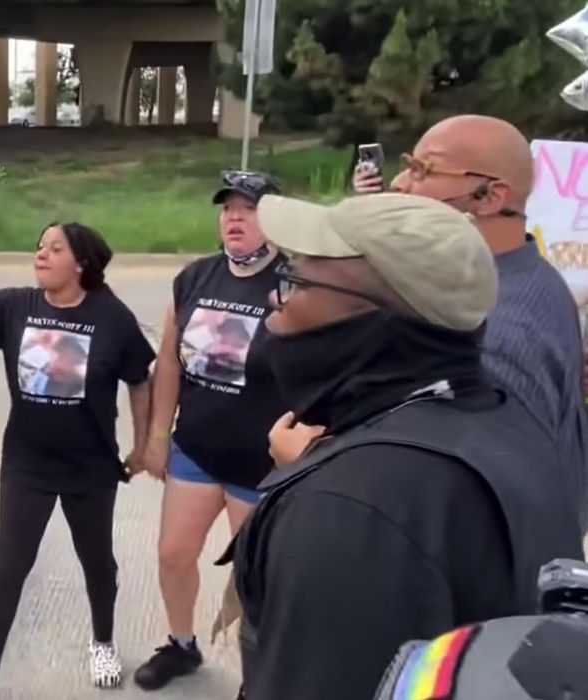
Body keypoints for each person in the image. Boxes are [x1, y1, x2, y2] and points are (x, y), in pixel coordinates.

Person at [227, 192, 584, 700]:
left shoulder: (350, 508)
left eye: (296, 281)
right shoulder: (506, 417)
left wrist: (331, 484)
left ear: (375, 315)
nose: (273, 300)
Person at [0, 222, 156, 699]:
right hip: (27, 464)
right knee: (10, 566)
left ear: (81, 264)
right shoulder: (17, 305)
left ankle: (102, 642)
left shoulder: (111, 317)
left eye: (55, 249)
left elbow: (140, 377)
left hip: (91, 467)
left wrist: (143, 445)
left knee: (97, 562)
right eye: (39, 246)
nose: (41, 254)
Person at [353, 116, 588, 531]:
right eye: (408, 165)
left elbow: (480, 496)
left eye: (423, 170)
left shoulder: (489, 331)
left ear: (489, 197)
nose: (400, 183)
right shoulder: (533, 277)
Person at [132, 171, 289, 691]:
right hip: (195, 449)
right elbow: (170, 363)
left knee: (255, 582)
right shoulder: (195, 277)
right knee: (174, 554)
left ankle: (259, 676)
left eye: (249, 208)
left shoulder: (296, 282)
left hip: (262, 462)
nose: (235, 218)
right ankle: (181, 645)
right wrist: (157, 436)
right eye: (228, 209)